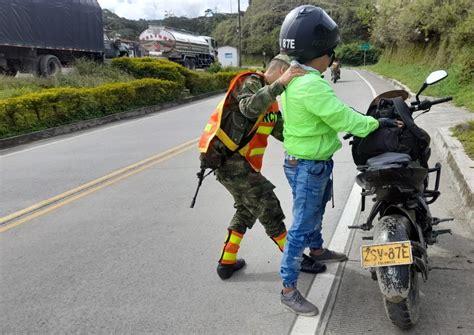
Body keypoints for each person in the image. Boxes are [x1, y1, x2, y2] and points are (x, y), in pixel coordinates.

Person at [278, 5, 403, 316]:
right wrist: (376, 123)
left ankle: (317, 250)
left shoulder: (298, 78)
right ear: (323, 53)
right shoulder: (310, 84)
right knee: (301, 225)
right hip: (308, 165)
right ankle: (288, 288)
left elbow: (335, 112)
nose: (333, 57)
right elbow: (342, 116)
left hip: (307, 162)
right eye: (331, 51)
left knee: (315, 212)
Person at [198, 54, 326, 280]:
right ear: (280, 72)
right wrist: (280, 85)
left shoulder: (270, 102)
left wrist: (316, 141)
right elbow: (247, 107)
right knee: (268, 207)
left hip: (241, 164)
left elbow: (284, 133)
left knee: (246, 210)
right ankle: (294, 259)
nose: (290, 84)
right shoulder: (252, 82)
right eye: (289, 78)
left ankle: (227, 262)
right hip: (230, 162)